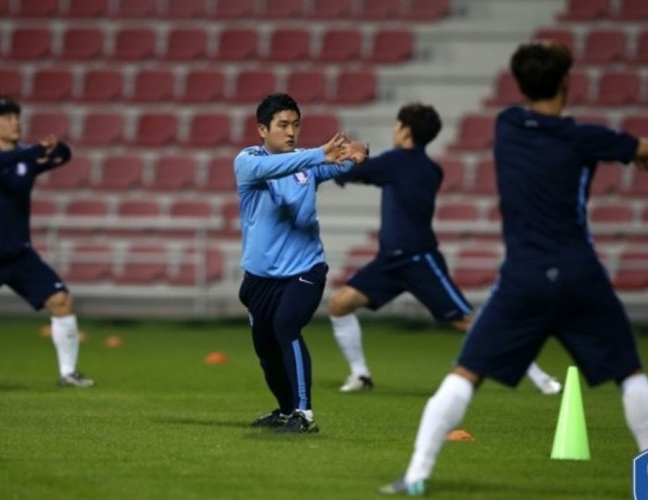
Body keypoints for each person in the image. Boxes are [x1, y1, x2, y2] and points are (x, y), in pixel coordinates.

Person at [379, 41, 648, 496]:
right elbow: (641, 150)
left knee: (465, 374)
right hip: (580, 272)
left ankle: (416, 475)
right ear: (566, 82)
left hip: (524, 276)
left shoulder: (506, 125)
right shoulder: (586, 139)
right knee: (630, 375)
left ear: (521, 84)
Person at [328, 103, 561, 395]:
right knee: (340, 304)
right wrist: (361, 160)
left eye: (397, 125)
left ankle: (539, 376)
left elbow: (345, 176)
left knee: (467, 321)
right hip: (390, 262)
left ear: (405, 130)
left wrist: (357, 153)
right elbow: (371, 173)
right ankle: (360, 375)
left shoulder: (397, 162)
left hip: (419, 261)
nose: (394, 130)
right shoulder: (430, 169)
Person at [234, 93, 367, 433]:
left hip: (305, 271)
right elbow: (280, 165)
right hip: (260, 279)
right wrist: (318, 155)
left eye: (295, 125)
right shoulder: (248, 162)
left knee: (286, 326)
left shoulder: (307, 165)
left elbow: (346, 160)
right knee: (265, 349)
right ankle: (284, 410)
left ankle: (303, 415)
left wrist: (360, 152)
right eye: (282, 125)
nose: (291, 131)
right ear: (262, 129)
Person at [0, 96, 94, 388]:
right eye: (7, 118)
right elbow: (6, 160)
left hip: (21, 255)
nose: (15, 122)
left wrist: (57, 148)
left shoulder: (26, 157)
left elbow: (63, 156)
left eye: (16, 116)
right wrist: (37, 151)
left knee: (61, 300)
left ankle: (68, 373)